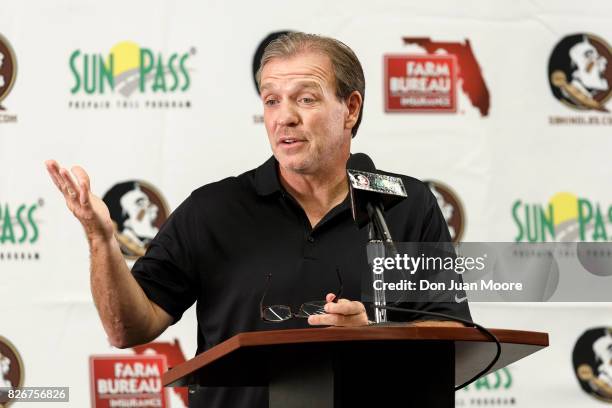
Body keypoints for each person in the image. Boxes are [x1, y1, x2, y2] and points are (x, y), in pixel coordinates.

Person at [46, 32, 470, 407]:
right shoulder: (213, 209)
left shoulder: (405, 204)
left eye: (305, 98)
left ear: (351, 108)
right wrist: (101, 239)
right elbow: (127, 329)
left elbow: (451, 332)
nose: (284, 116)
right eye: (271, 100)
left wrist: (374, 334)